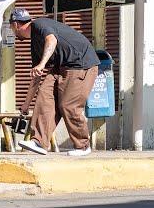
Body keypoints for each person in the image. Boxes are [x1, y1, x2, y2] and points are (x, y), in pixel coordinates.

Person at [9, 8, 100, 156]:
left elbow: (51, 39)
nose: (12, 31)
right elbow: (36, 76)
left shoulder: (39, 24)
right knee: (44, 98)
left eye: (11, 28)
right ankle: (38, 141)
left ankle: (83, 146)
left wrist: (42, 63)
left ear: (16, 25)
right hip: (61, 67)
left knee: (68, 105)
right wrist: (25, 105)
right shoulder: (34, 43)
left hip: (81, 64)